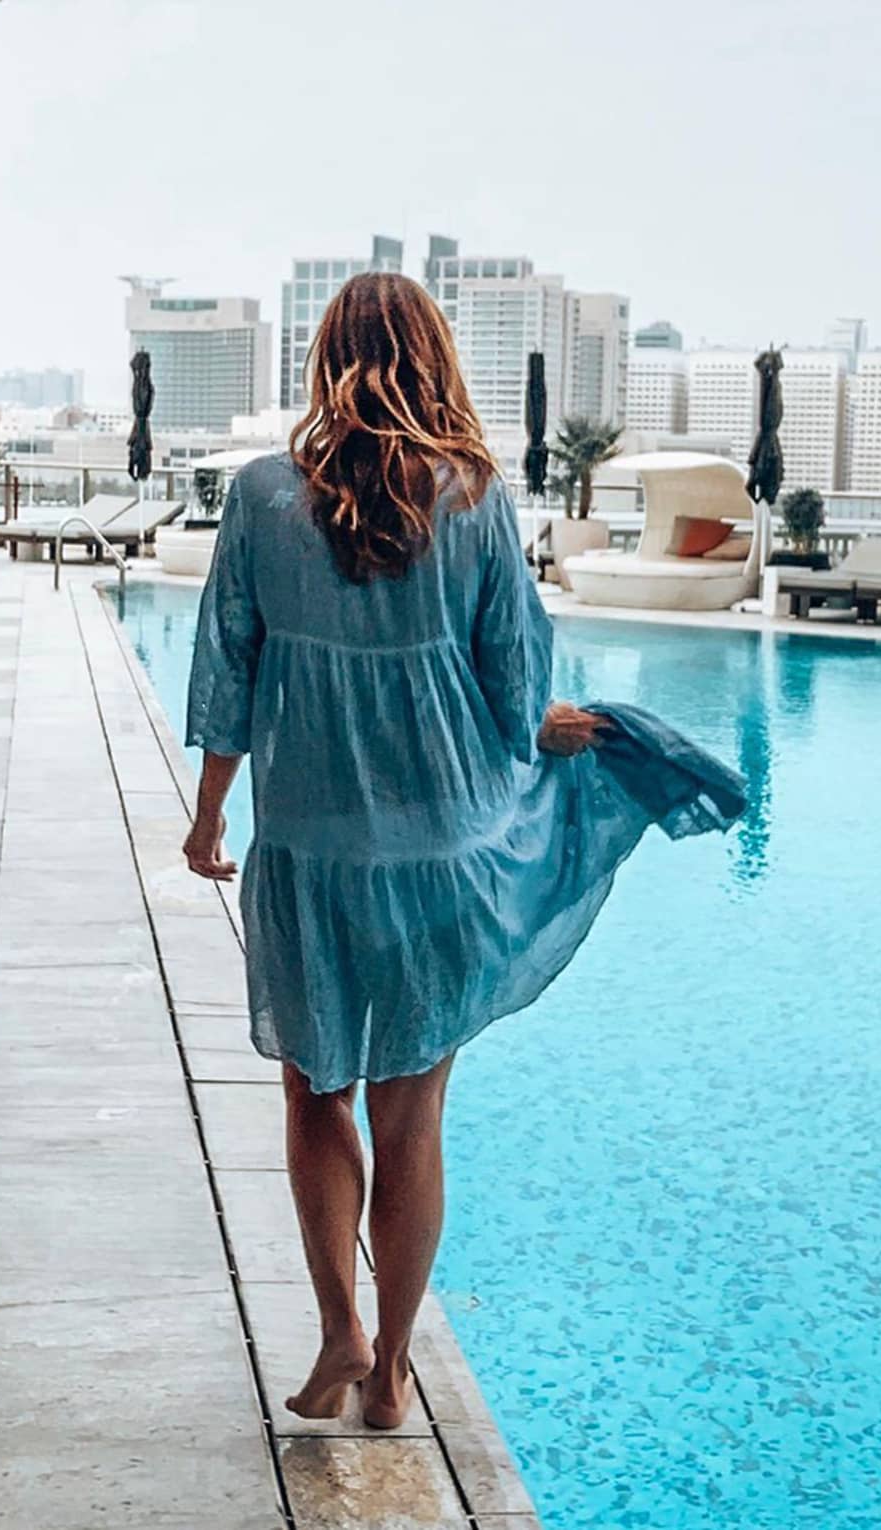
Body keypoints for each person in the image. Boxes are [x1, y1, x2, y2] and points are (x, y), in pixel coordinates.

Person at [183, 272, 742, 1431]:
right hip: (444, 857)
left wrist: (207, 816)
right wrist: (561, 729)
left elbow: (227, 667)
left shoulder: (260, 497)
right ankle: (391, 1374)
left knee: (315, 1092)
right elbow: (514, 691)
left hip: (308, 850)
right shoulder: (476, 498)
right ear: (436, 357)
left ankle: (338, 1328)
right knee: (412, 1116)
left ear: (324, 357)